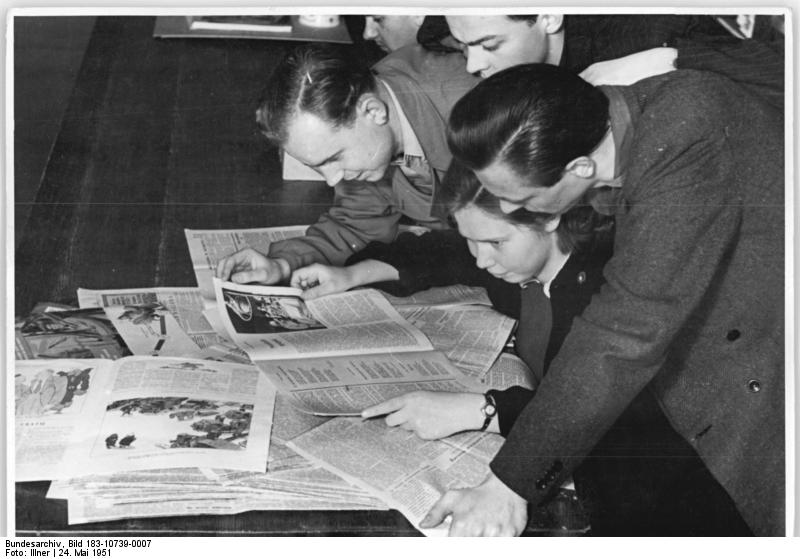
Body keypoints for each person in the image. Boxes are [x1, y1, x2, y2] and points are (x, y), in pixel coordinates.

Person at [410, 62, 784, 537]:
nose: (507, 210)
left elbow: (627, 328)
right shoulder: (626, 116)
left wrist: (510, 485)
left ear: (579, 169)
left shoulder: (685, 137)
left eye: (520, 199)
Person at [291, 162, 751, 535]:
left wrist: (486, 410)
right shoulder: (514, 258)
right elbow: (442, 251)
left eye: (493, 242)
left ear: (549, 215)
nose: (479, 259)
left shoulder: (611, 290)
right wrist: (352, 274)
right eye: (471, 238)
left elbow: (613, 419)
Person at [215, 43, 479, 286]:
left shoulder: (472, 106)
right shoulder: (370, 138)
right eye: (317, 166)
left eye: (334, 157)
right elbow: (356, 223)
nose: (332, 180)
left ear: (373, 111)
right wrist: (283, 265)